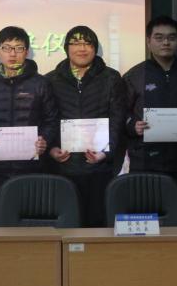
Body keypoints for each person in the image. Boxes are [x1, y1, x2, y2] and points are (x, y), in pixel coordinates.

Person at [45, 26, 128, 228]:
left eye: (87, 43)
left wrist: (105, 153)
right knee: (66, 225)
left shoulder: (111, 78)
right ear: (66, 48)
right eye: (76, 43)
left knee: (97, 226)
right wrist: (51, 149)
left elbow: (117, 120)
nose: (82, 48)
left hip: (100, 168)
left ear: (95, 48)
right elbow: (47, 119)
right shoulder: (50, 80)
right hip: (63, 167)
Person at [0, 26, 59, 223]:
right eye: (7, 48)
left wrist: (45, 140)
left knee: (30, 224)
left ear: (26, 51)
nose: (12, 54)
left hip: (32, 169)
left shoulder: (41, 83)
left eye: (19, 48)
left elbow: (51, 120)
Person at [123, 16, 177, 189]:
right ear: (148, 41)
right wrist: (133, 125)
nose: (166, 42)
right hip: (144, 160)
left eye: (171, 37)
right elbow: (121, 113)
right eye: (159, 38)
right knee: (146, 205)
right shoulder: (134, 75)